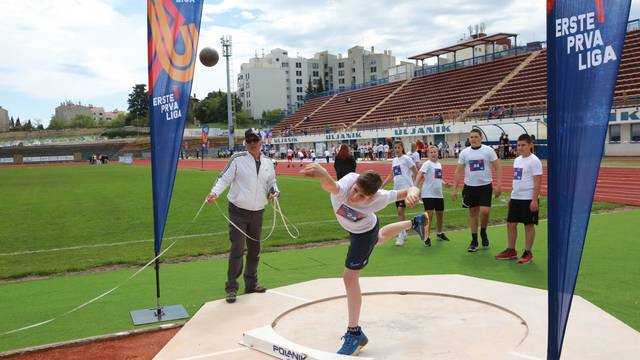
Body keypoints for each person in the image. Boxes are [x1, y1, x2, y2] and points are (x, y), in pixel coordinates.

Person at [300, 163, 427, 356]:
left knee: (350, 277)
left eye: (362, 197)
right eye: (356, 190)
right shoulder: (348, 182)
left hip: (364, 232)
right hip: (359, 227)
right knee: (381, 237)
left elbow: (410, 189)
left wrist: (413, 192)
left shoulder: (381, 198)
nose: (354, 196)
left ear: (372, 197)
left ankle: (354, 333)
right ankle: (415, 222)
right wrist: (324, 174)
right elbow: (331, 186)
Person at [207, 129, 280, 303]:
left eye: (255, 140)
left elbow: (271, 182)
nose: (252, 143)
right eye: (249, 140)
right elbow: (223, 178)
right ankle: (231, 288)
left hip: (258, 212)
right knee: (237, 249)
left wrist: (275, 192)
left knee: (255, 250)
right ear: (245, 143)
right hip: (238, 210)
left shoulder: (269, 162)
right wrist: (214, 193)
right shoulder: (237, 159)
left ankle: (251, 283)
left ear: (261, 142)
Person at [452, 129, 502, 252]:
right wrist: (454, 188)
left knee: (485, 212)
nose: (473, 139)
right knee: (473, 214)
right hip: (470, 187)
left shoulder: (488, 151)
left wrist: (499, 185)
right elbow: (458, 171)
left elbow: (498, 168)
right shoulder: (464, 153)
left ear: (481, 138)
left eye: (476, 137)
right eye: (471, 137)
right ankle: (474, 241)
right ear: (469, 139)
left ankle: (483, 232)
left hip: (485, 186)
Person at [495, 134, 542, 264]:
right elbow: (517, 180)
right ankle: (511, 250)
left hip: (528, 198)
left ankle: (528, 252)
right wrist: (511, 196)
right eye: (519, 145)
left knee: (528, 225)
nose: (520, 148)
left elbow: (537, 183)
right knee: (511, 224)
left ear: (530, 145)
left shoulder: (535, 161)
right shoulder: (517, 160)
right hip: (516, 197)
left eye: (523, 145)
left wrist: (534, 200)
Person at [383, 141, 419, 246]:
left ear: (402, 148)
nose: (396, 149)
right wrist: (381, 186)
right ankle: (403, 232)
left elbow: (416, 172)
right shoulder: (394, 160)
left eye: (398, 147)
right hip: (397, 190)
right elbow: (391, 176)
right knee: (400, 213)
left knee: (400, 211)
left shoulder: (407, 159)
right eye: (395, 148)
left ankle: (401, 234)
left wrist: (415, 186)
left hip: (406, 189)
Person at [416, 146, 450, 246]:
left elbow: (438, 177)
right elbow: (419, 174)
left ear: (438, 152)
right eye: (431, 152)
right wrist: (415, 187)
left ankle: (439, 233)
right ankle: (426, 237)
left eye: (435, 152)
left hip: (438, 194)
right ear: (428, 154)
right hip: (428, 194)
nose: (434, 154)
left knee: (440, 215)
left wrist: (444, 183)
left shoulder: (439, 164)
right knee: (429, 216)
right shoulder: (427, 164)